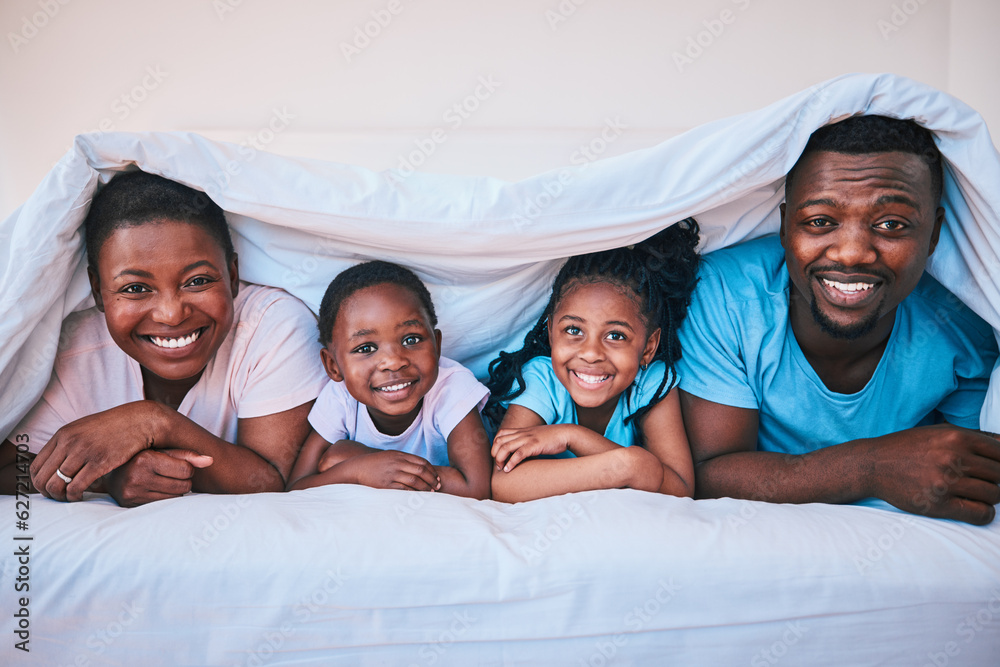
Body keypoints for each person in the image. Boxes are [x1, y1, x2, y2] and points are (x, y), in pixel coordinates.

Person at [677, 115, 1000, 525]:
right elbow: (709, 474)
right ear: (784, 225)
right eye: (820, 222)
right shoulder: (725, 294)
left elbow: (973, 483)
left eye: (891, 224)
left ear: (933, 235)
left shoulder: (967, 325)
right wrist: (872, 467)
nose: (851, 253)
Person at [0, 171, 328, 505]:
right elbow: (9, 468)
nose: (171, 314)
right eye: (135, 288)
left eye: (197, 281)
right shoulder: (75, 352)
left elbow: (272, 479)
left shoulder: (273, 325)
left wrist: (153, 421)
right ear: (98, 292)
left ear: (232, 276)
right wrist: (106, 476)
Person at [485, 221, 700, 502]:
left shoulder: (652, 383)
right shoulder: (541, 378)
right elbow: (503, 484)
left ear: (648, 348)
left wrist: (572, 436)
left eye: (615, 335)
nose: (590, 353)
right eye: (574, 331)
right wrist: (624, 467)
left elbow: (682, 489)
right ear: (551, 333)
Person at [286, 261, 492, 499]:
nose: (393, 361)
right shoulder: (340, 397)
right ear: (333, 366)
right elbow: (295, 489)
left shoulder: (452, 388)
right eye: (366, 348)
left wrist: (364, 459)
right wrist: (359, 471)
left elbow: (476, 488)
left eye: (411, 340)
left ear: (436, 345)